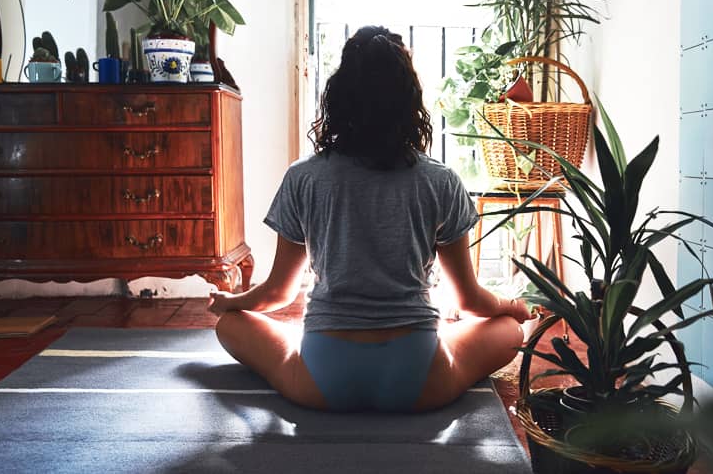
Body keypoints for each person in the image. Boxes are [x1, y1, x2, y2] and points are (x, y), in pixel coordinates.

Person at [208, 25, 534, 413]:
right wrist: (512, 305)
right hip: (419, 380)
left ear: (340, 97)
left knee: (229, 324)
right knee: (509, 329)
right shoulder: (440, 180)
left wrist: (232, 301)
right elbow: (470, 300)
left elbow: (278, 294)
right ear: (409, 100)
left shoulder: (304, 177)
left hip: (321, 380)